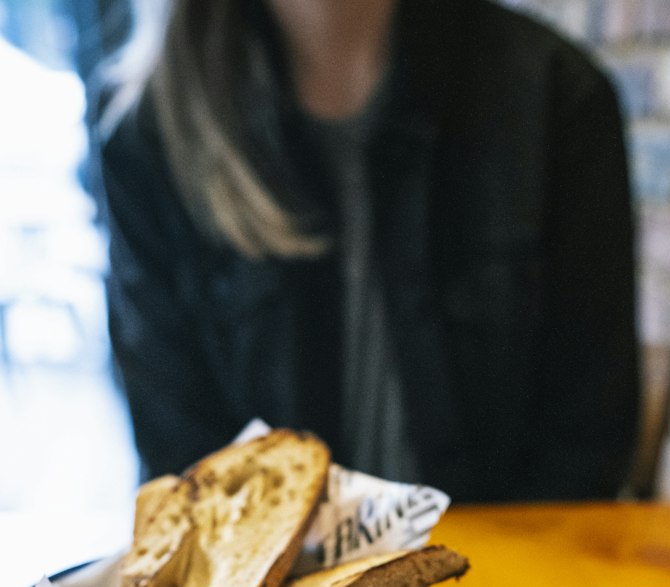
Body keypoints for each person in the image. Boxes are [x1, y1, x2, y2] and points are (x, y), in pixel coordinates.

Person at [98, 0, 639, 503]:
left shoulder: (555, 96)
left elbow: (586, 437)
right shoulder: (150, 140)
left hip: (510, 585)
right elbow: (182, 458)